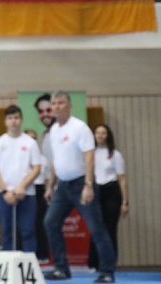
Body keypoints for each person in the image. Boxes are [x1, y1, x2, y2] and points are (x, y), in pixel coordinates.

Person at [43, 92, 116, 283]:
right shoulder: (53, 130)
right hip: (63, 186)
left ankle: (107, 272)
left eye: (61, 103)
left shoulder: (80, 128)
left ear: (69, 106)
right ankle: (61, 269)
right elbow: (55, 161)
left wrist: (88, 185)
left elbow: (89, 157)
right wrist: (50, 185)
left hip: (81, 184)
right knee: (50, 222)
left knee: (96, 228)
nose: (57, 106)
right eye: (54, 103)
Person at [0, 105, 41, 252]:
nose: (13, 121)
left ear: (21, 120)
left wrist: (22, 186)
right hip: (4, 195)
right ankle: (9, 270)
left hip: (26, 194)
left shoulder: (30, 143)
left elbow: (36, 167)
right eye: (10, 118)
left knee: (28, 231)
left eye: (16, 117)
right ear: (5, 121)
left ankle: (30, 267)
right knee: (7, 233)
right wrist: (5, 191)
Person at [87, 124, 129, 272]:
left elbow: (122, 179)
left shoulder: (115, 154)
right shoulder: (90, 153)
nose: (100, 135)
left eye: (103, 133)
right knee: (95, 228)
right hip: (95, 190)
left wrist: (125, 202)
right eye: (97, 132)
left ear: (108, 135)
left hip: (111, 192)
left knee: (110, 228)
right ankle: (93, 263)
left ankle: (109, 264)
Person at [33, 93, 55, 262]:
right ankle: (54, 262)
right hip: (51, 188)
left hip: (68, 186)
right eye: (41, 112)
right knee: (48, 224)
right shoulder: (45, 135)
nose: (45, 114)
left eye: (48, 109)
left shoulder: (61, 132)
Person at [25, 128, 50, 263]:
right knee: (27, 223)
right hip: (27, 190)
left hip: (40, 190)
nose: (32, 141)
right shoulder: (21, 157)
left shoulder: (43, 159)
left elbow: (47, 177)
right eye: (29, 138)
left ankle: (42, 255)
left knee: (41, 223)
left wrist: (48, 190)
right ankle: (27, 253)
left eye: (34, 139)